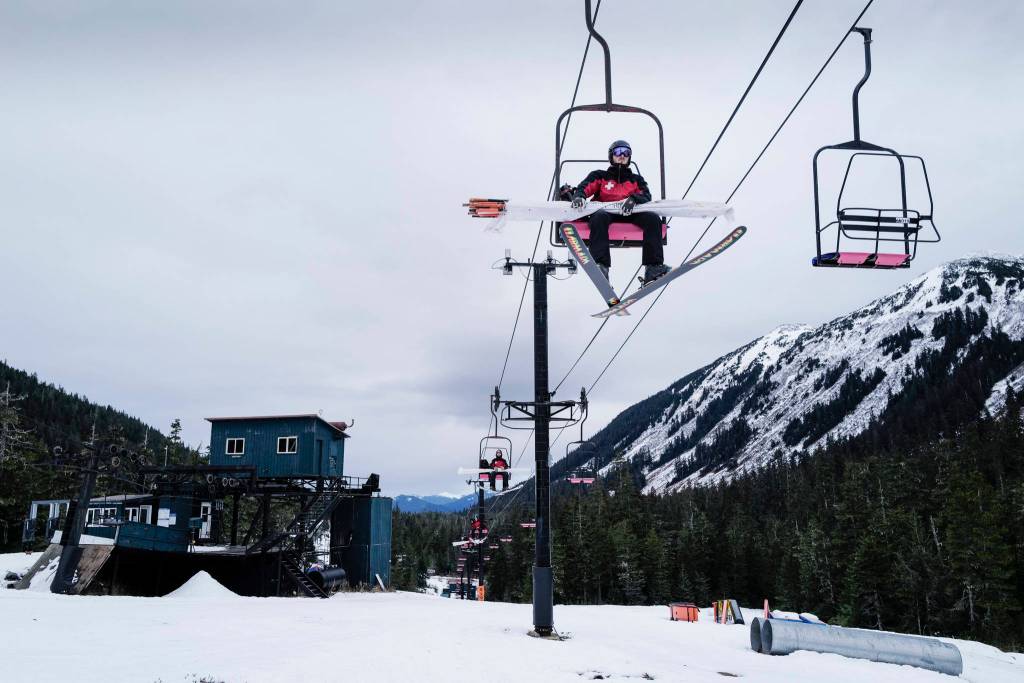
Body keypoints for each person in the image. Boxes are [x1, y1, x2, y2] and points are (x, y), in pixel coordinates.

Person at [567, 140, 670, 284]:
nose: (622, 155)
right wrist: (579, 197)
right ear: (611, 156)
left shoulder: (636, 180)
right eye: (618, 152)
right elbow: (584, 188)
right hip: (606, 212)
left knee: (652, 218)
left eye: (626, 153)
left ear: (629, 157)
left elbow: (646, 195)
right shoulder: (600, 176)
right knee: (599, 216)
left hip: (631, 212)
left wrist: (633, 199)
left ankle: (653, 267)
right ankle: (601, 266)